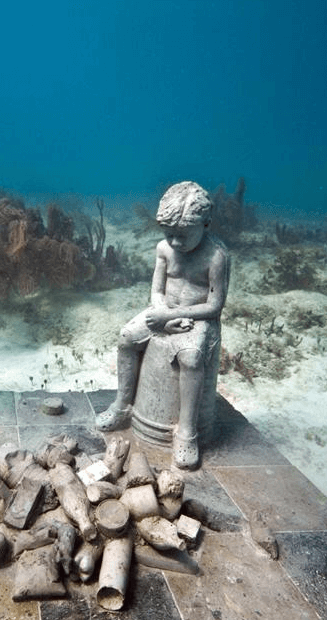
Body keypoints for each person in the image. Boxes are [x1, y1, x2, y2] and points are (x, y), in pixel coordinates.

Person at [96, 181, 230, 469]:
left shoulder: (216, 255)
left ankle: (186, 432)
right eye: (170, 235)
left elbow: (214, 305)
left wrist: (169, 319)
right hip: (164, 311)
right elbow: (156, 290)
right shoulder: (163, 249)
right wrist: (161, 314)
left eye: (183, 236)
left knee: (191, 359)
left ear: (206, 224)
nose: (176, 243)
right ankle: (122, 406)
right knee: (127, 338)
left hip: (198, 318)